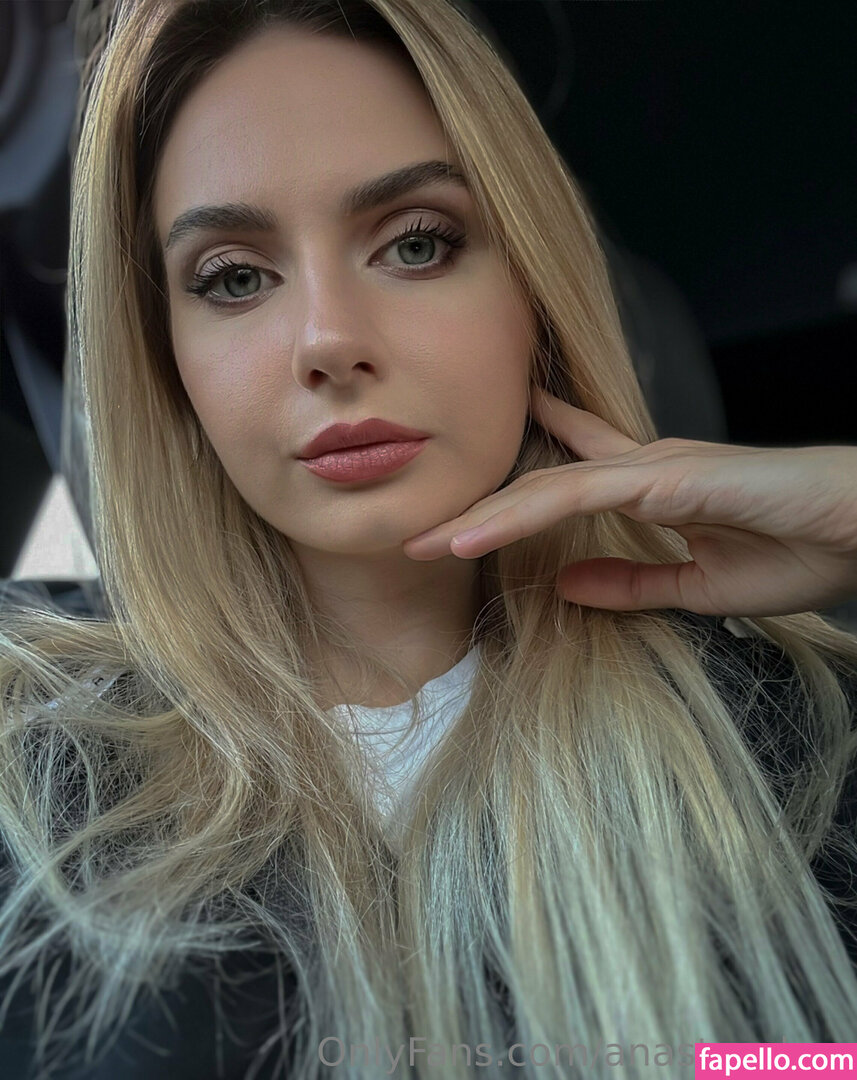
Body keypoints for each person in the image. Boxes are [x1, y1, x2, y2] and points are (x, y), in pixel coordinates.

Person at [0, 1, 856, 1077]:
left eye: (415, 244)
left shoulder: (797, 732)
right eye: (234, 277)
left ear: (532, 291)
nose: (328, 341)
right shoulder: (35, 789)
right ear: (164, 356)